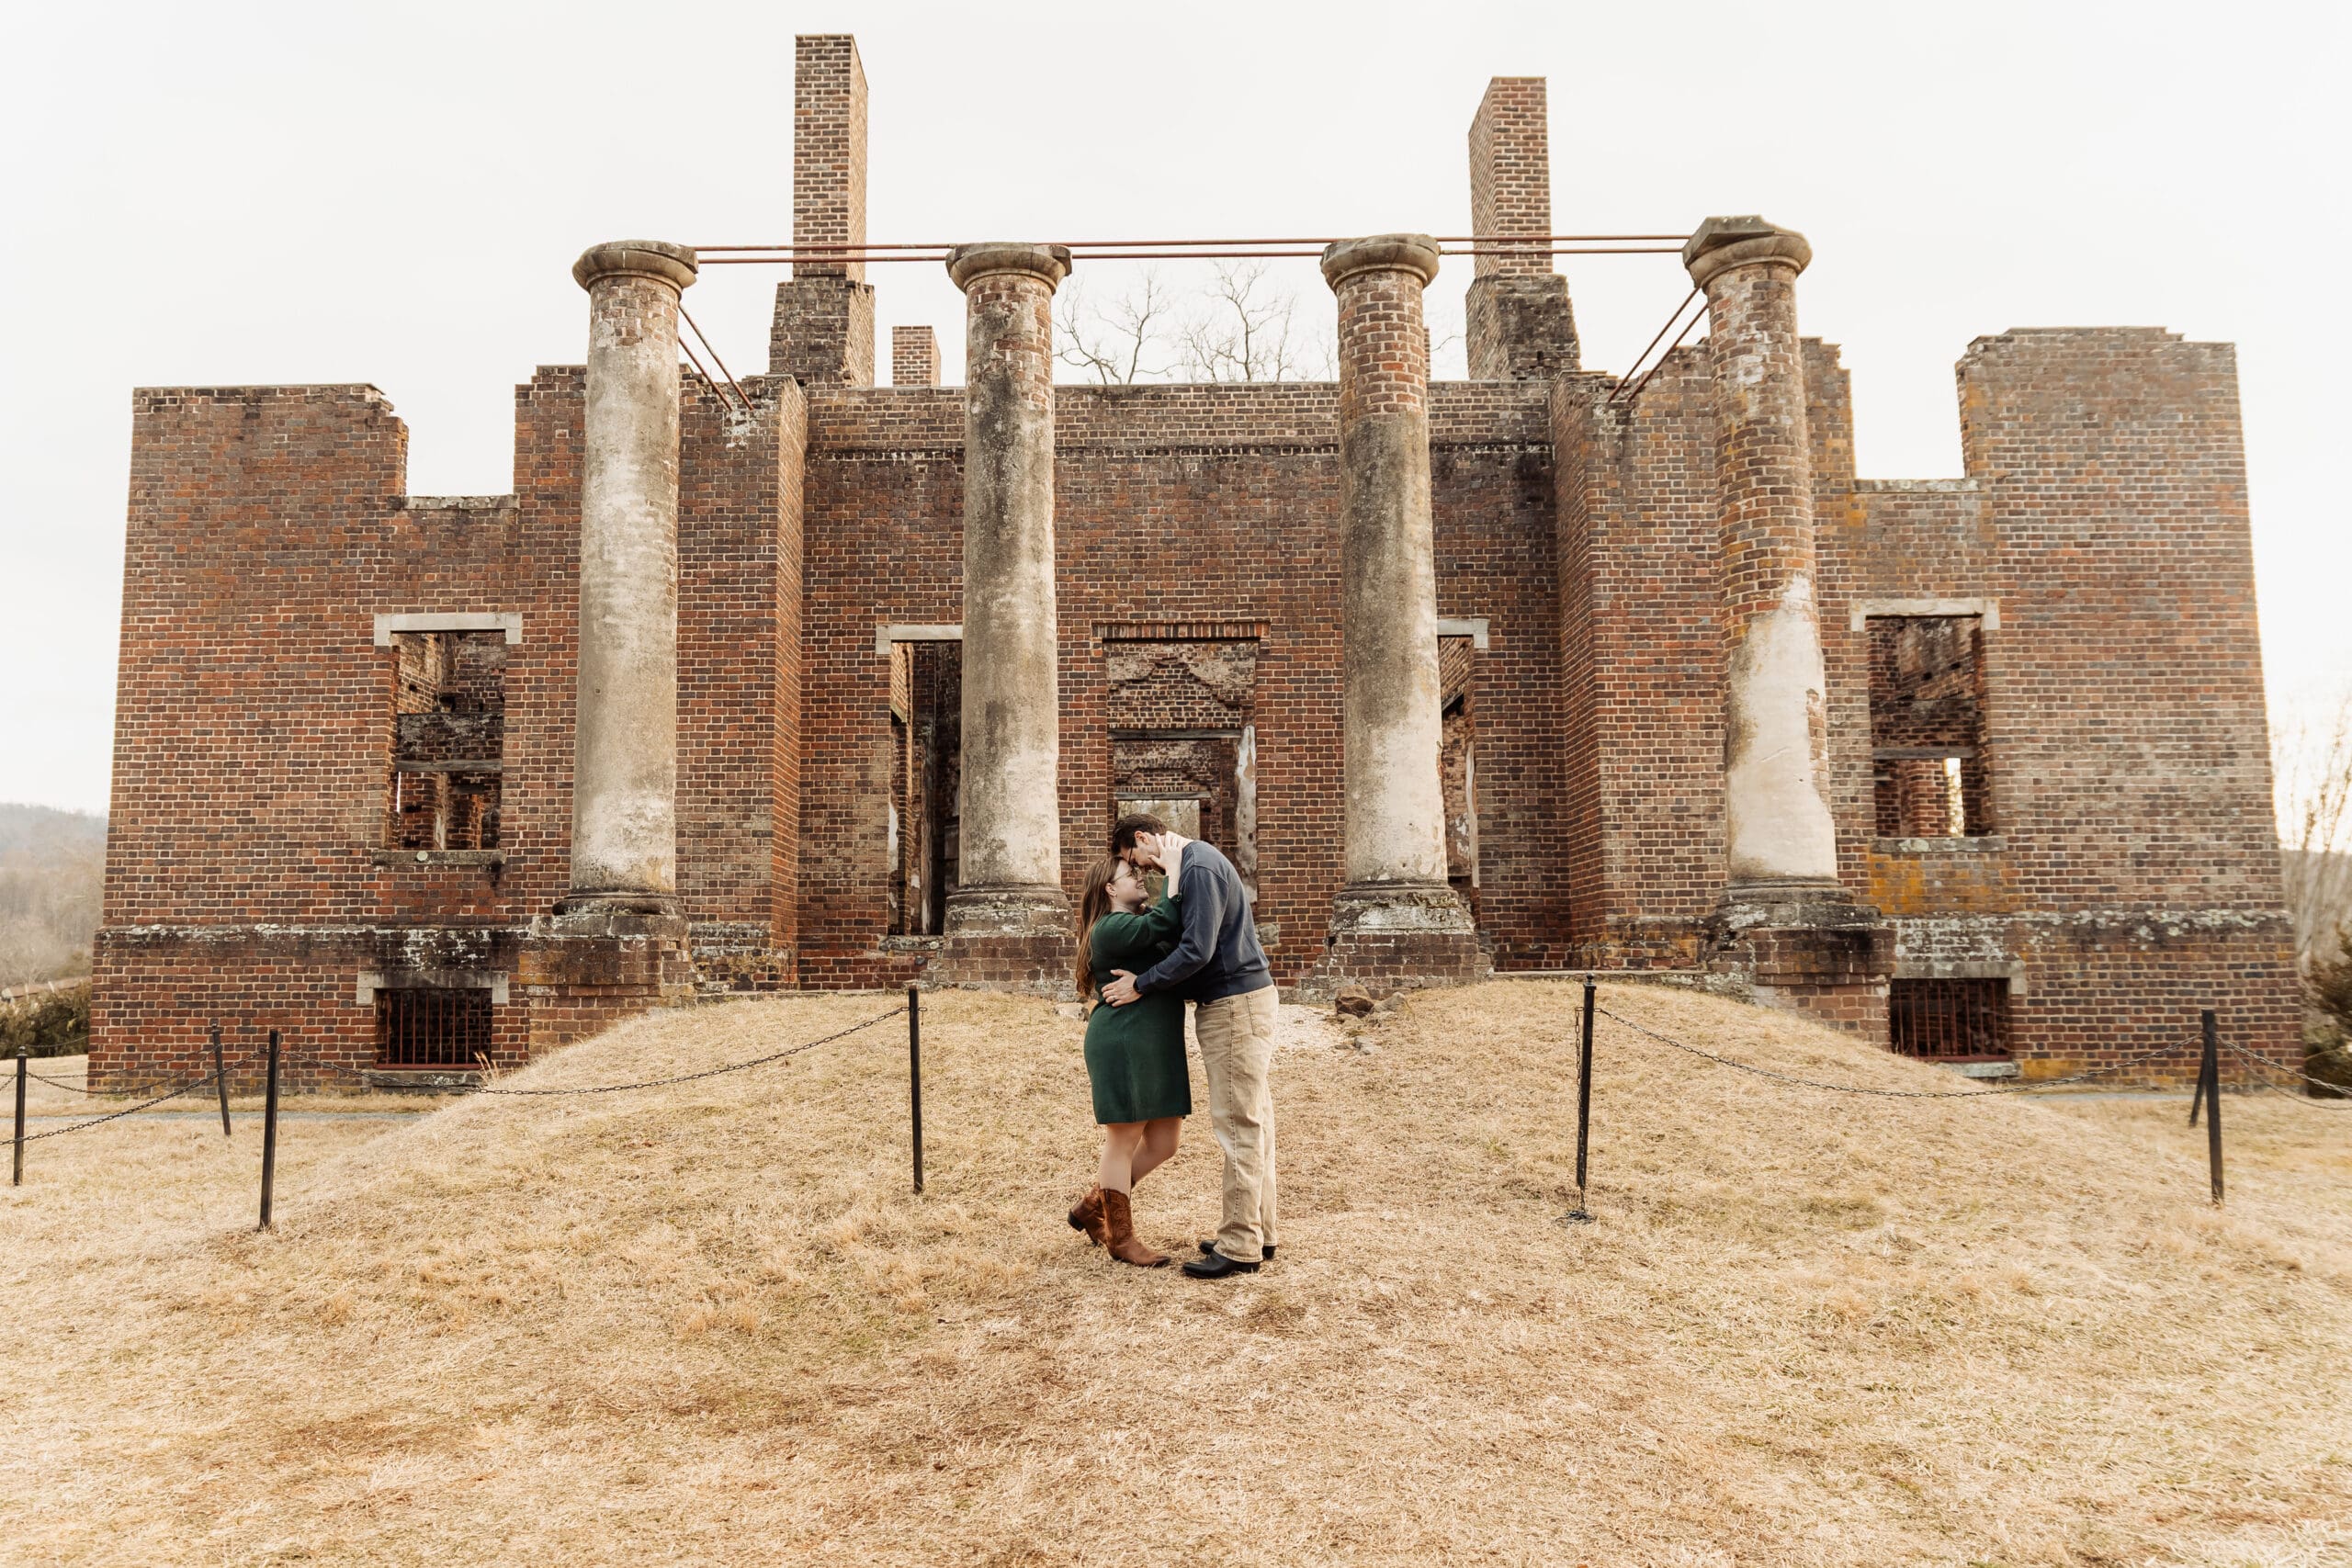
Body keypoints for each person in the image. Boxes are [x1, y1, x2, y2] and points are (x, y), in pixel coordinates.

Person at [1101, 813, 1278, 1280]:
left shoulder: (1195, 866)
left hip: (1234, 1004)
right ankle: (1261, 1233)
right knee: (1254, 1121)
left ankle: (1240, 1245)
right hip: (1242, 998)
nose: (1139, 870)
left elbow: (1196, 949)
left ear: (1142, 839)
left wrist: (1144, 983)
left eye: (1131, 858)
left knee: (1238, 1124)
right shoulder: (1196, 862)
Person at [1067, 855, 1191, 1268]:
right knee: (1124, 1140)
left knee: (1164, 1143)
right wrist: (1176, 868)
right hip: (1123, 1039)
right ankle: (1121, 1238)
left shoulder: (1140, 922)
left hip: (1155, 1042)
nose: (1140, 878)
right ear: (1110, 890)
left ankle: (1092, 1205)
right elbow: (1162, 925)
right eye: (1131, 875)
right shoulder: (1112, 927)